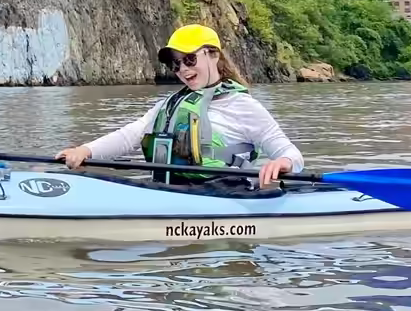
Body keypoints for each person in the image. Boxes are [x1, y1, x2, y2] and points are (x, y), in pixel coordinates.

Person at [55, 24, 303, 188]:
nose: (183, 69)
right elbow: (130, 135)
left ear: (213, 55)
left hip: (223, 194)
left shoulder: (242, 105)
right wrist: (85, 151)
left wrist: (283, 163)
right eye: (175, 64)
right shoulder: (170, 104)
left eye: (189, 59)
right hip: (171, 190)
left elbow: (291, 154)